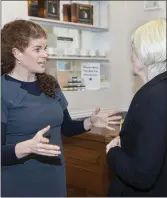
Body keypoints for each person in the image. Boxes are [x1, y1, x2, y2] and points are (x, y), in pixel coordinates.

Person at [1, 19, 122, 197]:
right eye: (37, 49)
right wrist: (27, 147)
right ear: (17, 53)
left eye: (45, 48)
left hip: (54, 178)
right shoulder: (3, 90)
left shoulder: (49, 84)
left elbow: (65, 127)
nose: (45, 55)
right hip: (19, 183)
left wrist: (89, 122)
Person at [106, 19, 167, 197]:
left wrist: (113, 152)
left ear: (146, 52)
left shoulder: (153, 98)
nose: (131, 55)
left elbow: (142, 176)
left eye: (133, 49)